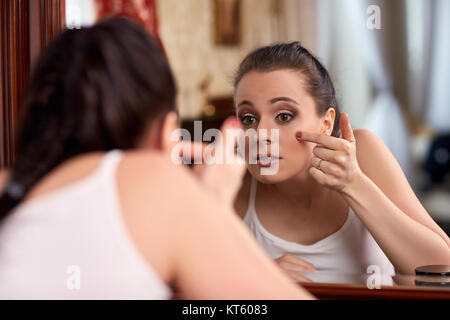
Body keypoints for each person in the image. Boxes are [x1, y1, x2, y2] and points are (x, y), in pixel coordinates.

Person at [0, 18, 313, 299]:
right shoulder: (154, 182)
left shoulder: (10, 187)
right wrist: (212, 208)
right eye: (247, 118)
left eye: (284, 115)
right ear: (167, 132)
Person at [232, 42, 450, 282]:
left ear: (326, 123)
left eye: (284, 116)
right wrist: (255, 276)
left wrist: (353, 184)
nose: (261, 134)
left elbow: (443, 270)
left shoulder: (363, 152)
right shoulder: (232, 179)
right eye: (248, 118)